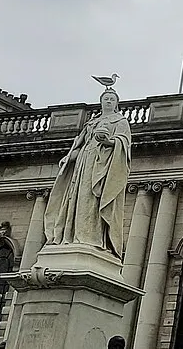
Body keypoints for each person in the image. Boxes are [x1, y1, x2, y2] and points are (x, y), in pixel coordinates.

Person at [45, 78, 133, 256]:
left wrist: (108, 142)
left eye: (112, 100)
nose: (108, 102)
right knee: (77, 200)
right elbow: (82, 145)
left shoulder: (120, 122)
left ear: (116, 104)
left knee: (93, 201)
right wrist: (69, 158)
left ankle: (91, 238)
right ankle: (73, 236)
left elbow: (124, 144)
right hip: (84, 164)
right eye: (106, 99)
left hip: (102, 167)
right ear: (101, 101)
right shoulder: (91, 123)